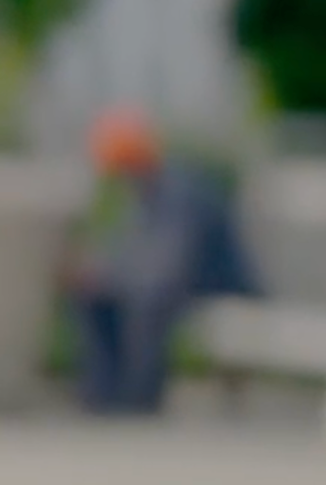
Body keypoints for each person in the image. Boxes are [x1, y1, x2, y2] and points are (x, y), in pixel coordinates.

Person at [55, 107, 260, 416]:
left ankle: (139, 403)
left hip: (219, 283)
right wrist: (102, 275)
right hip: (176, 283)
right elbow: (132, 251)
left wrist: (122, 277)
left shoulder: (181, 192)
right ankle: (101, 396)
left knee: (149, 303)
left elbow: (174, 261)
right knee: (94, 297)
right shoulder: (143, 192)